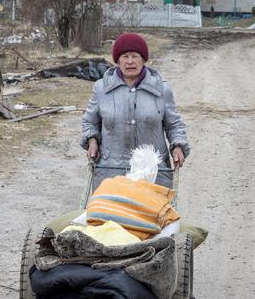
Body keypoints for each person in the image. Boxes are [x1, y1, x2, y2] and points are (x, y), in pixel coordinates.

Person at [81, 32, 189, 189]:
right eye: (125, 56)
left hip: (152, 173)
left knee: (150, 214)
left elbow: (175, 125)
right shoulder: (101, 88)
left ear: (144, 59)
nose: (130, 62)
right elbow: (90, 122)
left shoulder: (162, 90)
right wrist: (92, 141)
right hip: (110, 173)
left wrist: (178, 146)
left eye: (135, 56)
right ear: (117, 60)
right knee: (110, 213)